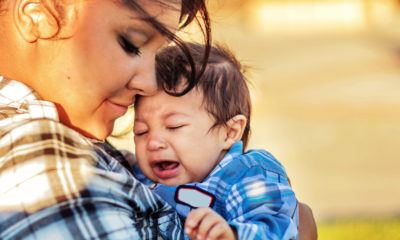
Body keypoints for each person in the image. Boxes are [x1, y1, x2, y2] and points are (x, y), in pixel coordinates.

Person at [0, 0, 211, 239]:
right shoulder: (43, 159)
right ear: (35, 15)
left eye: (158, 53)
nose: (150, 84)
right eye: (131, 44)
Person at [133, 43, 299, 240]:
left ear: (230, 132)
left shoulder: (246, 175)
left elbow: (277, 226)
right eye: (141, 131)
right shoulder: (143, 179)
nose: (153, 143)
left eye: (174, 126)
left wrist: (232, 235)